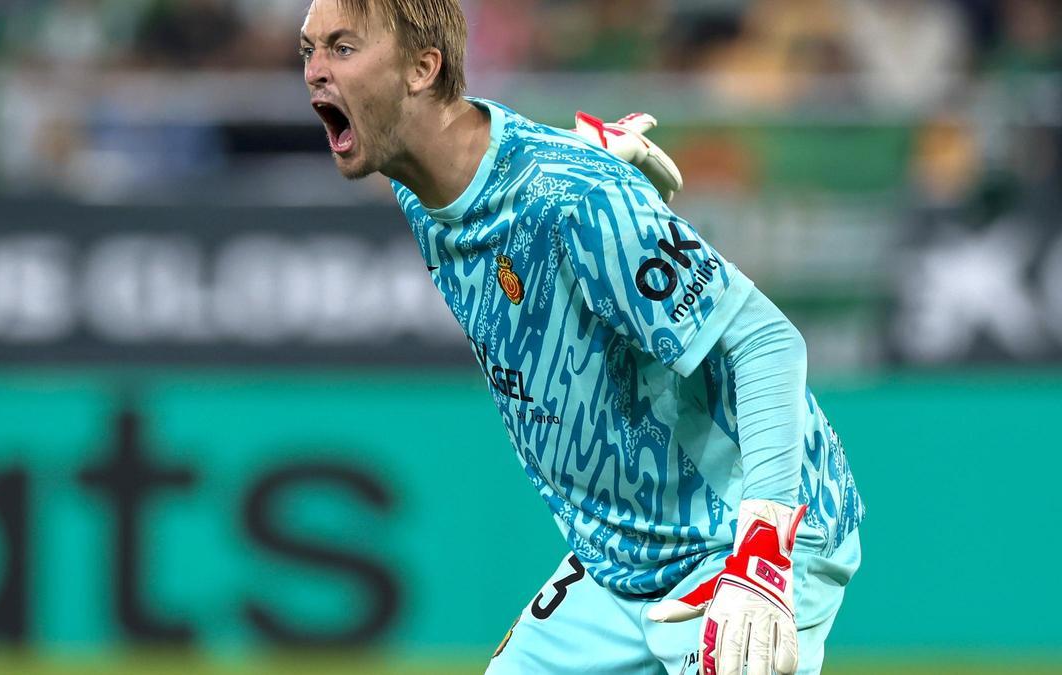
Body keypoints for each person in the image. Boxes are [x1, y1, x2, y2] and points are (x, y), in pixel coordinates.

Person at [298, 1, 864, 673]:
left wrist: (763, 548)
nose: (313, 73)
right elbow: (496, 162)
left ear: (423, 68)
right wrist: (581, 155)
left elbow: (769, 342)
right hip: (623, 557)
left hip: (744, 536)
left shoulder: (575, 202)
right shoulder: (419, 184)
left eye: (341, 48)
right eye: (307, 50)